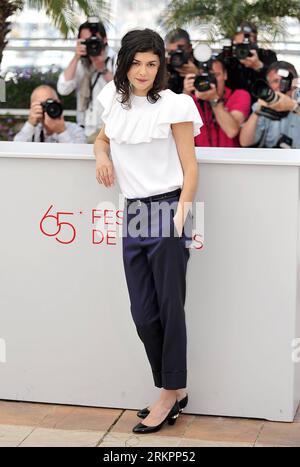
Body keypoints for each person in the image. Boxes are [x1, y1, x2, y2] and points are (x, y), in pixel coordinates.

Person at [94, 28, 203, 434]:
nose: (143, 71)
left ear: (161, 67)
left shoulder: (175, 105)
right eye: (137, 63)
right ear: (125, 64)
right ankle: (174, 388)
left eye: (152, 64)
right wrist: (101, 155)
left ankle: (169, 392)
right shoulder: (114, 99)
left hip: (167, 209)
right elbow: (102, 139)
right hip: (133, 213)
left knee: (171, 309)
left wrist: (178, 220)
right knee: (143, 313)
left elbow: (191, 168)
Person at [57, 18, 117, 143]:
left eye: (94, 40)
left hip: (108, 130)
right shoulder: (80, 63)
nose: (91, 44)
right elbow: (63, 89)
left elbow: (121, 91)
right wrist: (76, 57)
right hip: (83, 129)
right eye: (86, 41)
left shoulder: (115, 60)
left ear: (105, 40)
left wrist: (103, 69)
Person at [183, 58, 251, 147]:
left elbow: (232, 131)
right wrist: (185, 94)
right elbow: (177, 131)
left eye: (215, 75)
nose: (212, 81)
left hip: (232, 158)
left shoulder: (239, 95)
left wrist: (214, 100)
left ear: (225, 75)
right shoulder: (191, 100)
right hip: (201, 158)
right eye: (207, 77)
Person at [239, 61, 300, 148]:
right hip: (271, 159)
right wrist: (257, 112)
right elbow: (245, 142)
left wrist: (293, 107)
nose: (280, 86)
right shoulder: (263, 104)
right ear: (268, 85)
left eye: (284, 81)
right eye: (275, 81)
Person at [219, 21, 277, 101]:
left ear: (255, 42)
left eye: (247, 45)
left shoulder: (266, 56)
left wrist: (259, 66)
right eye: (239, 45)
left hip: (259, 104)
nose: (243, 49)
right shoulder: (227, 56)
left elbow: (276, 82)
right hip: (233, 104)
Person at [14, 85, 86, 143]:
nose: (49, 108)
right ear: (33, 108)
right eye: (42, 105)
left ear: (58, 103)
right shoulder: (33, 131)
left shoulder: (75, 130)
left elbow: (77, 158)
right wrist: (30, 123)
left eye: (51, 103)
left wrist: (62, 132)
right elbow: (16, 150)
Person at [165, 28, 200, 94]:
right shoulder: (162, 66)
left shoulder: (201, 62)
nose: (176, 56)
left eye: (180, 51)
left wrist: (198, 75)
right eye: (171, 52)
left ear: (190, 48)